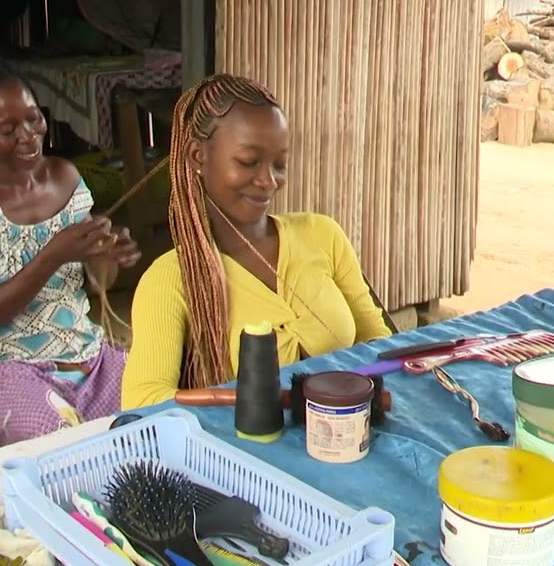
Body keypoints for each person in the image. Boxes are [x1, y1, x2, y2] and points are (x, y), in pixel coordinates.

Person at [120, 74, 394, 409]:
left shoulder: (322, 235)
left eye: (279, 165)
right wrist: (282, 400)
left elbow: (378, 345)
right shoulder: (171, 280)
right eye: (248, 162)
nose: (268, 181)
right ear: (197, 156)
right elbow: (144, 402)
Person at [0, 48, 141, 445]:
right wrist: (52, 255)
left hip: (85, 356)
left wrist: (106, 255)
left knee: (149, 414)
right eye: (8, 130)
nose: (28, 136)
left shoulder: (65, 176)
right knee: (61, 444)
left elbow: (97, 284)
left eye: (33, 118)